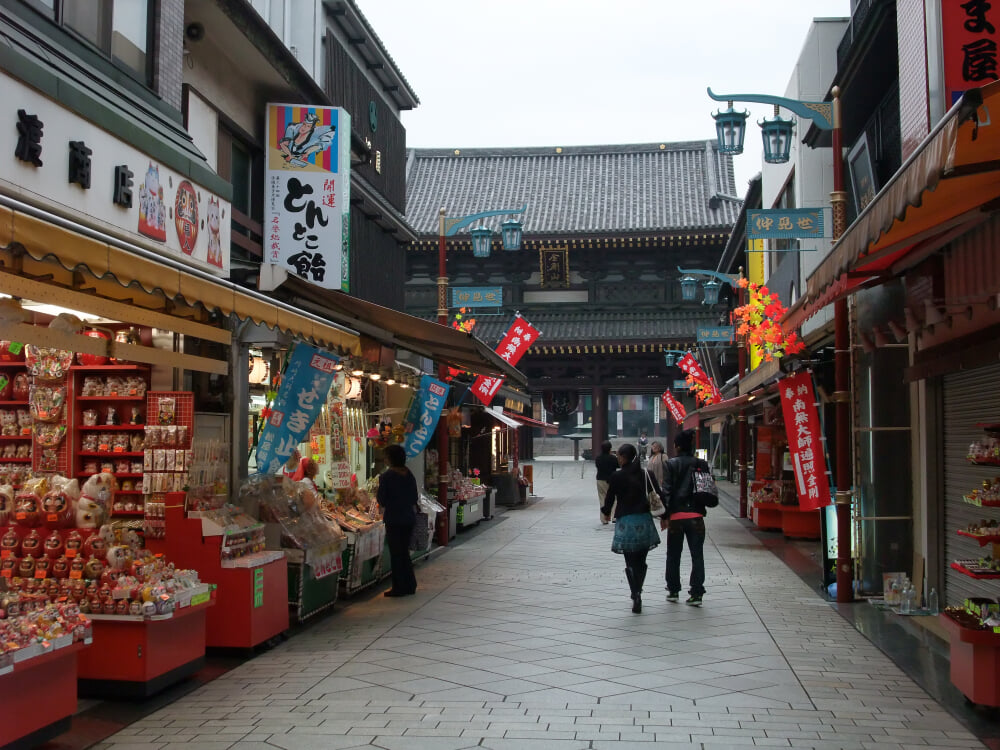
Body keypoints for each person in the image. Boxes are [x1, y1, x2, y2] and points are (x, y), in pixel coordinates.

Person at [600, 443, 662, 613]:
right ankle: (638, 591)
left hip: (626, 522)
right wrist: (665, 515)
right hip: (644, 520)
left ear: (623, 457)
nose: (618, 459)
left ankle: (635, 593)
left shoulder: (617, 476)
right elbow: (658, 494)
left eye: (619, 456)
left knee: (630, 561)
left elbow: (610, 498)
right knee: (641, 560)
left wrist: (606, 512)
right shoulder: (646, 474)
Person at [658, 429, 709, 606]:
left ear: (677, 446)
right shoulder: (701, 464)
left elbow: (667, 492)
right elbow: (704, 489)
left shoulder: (670, 464)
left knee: (673, 554)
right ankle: (696, 593)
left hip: (676, 517)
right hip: (696, 516)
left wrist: (664, 515)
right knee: (697, 555)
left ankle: (673, 590)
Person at [376, 444, 419, 597]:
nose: (385, 459)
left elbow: (381, 499)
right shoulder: (409, 474)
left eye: (386, 456)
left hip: (394, 519)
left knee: (396, 554)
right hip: (408, 517)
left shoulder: (386, 476)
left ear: (391, 458)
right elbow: (414, 497)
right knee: (404, 552)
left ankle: (399, 587)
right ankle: (410, 584)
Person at [594, 441, 618, 524]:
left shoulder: (598, 458)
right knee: (614, 498)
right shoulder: (613, 458)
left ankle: (604, 519)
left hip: (600, 479)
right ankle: (614, 516)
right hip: (612, 480)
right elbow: (618, 465)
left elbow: (597, 466)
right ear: (610, 449)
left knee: (602, 499)